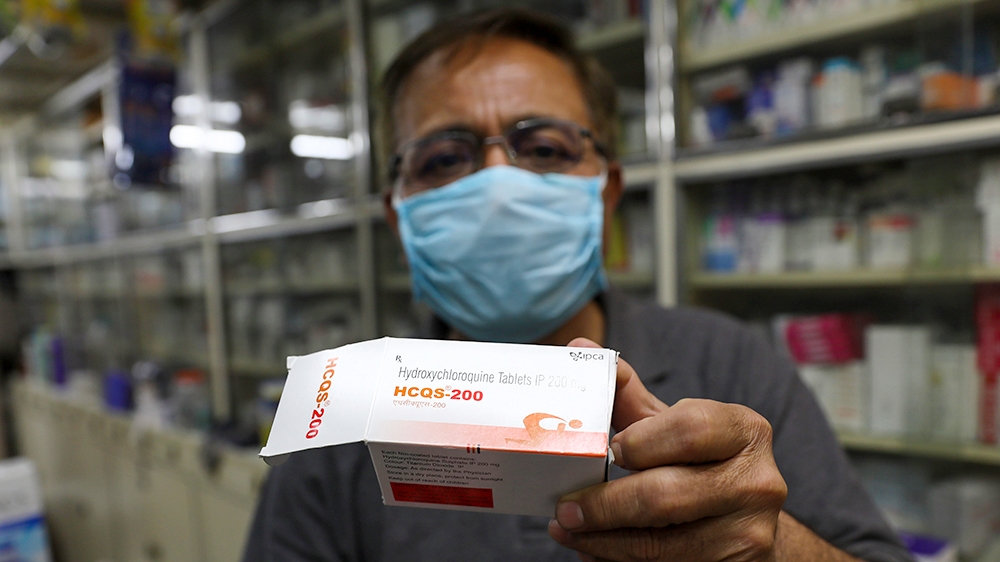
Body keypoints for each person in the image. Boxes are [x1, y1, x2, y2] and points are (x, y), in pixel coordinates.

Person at [243, 9, 912, 562]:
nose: (498, 189)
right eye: (444, 159)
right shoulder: (339, 422)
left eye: (544, 150)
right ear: (399, 216)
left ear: (606, 193)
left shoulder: (729, 365)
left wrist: (775, 549)